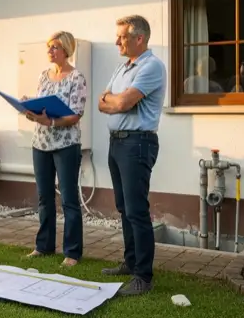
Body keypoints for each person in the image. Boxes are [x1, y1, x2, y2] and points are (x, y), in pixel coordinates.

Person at [98, 15, 166, 296]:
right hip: (117, 144)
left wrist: (118, 102)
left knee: (137, 211)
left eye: (122, 37)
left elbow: (123, 102)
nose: (117, 42)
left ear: (140, 38)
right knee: (124, 208)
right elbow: (103, 102)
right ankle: (130, 261)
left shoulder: (152, 66)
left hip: (137, 143)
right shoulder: (123, 67)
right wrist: (116, 103)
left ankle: (143, 276)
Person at [23, 31, 87, 267]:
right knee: (44, 197)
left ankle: (72, 252)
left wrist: (50, 121)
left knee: (69, 199)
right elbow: (42, 108)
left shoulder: (77, 78)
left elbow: (75, 115)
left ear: (67, 50)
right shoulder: (43, 75)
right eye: (48, 46)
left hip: (66, 144)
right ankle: (43, 246)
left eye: (55, 47)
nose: (50, 51)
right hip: (40, 143)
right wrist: (31, 112)